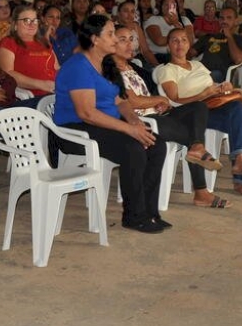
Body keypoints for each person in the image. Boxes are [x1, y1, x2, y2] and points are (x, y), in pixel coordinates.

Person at [54, 15, 169, 233]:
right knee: (133, 148)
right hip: (75, 130)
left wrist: (134, 121)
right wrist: (129, 129)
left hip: (104, 125)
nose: (115, 39)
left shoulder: (106, 63)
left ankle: (149, 212)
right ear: (94, 39)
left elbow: (120, 101)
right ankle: (134, 216)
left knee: (156, 144)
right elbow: (87, 113)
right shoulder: (78, 66)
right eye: (110, 34)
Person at [104, 25, 229, 208]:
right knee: (192, 135)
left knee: (198, 107)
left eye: (132, 39)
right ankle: (201, 189)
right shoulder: (110, 69)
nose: (130, 44)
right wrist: (160, 99)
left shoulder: (131, 67)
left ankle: (197, 152)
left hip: (156, 114)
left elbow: (145, 96)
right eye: (123, 40)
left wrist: (158, 103)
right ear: (111, 42)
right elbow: (132, 101)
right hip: (139, 122)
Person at [157, 28, 242, 198]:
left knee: (237, 109)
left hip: (210, 108)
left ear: (189, 44)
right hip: (188, 113)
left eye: (183, 40)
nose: (180, 44)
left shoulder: (198, 65)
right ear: (168, 46)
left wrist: (223, 87)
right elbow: (174, 100)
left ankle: (240, 160)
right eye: (174, 40)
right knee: (233, 120)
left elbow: (211, 86)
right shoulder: (167, 70)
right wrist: (202, 95)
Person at [0, 5, 58, 100]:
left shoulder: (44, 42)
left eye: (35, 20)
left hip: (56, 92)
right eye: (26, 20)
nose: (32, 24)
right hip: (33, 97)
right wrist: (42, 84)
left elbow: (57, 68)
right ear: (15, 24)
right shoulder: (8, 43)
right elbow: (7, 74)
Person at [191, 7, 242, 83]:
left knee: (207, 77)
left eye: (229, 18)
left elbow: (238, 59)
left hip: (220, 74)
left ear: (236, 21)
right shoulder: (209, 36)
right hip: (201, 70)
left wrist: (229, 36)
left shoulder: (240, 39)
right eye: (222, 18)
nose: (224, 21)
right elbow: (191, 53)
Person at [144, 0, 194, 64]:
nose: (169, 7)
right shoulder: (153, 20)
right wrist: (179, 39)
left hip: (180, 54)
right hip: (160, 55)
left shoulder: (185, 20)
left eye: (172, 5)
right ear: (161, 7)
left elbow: (190, 41)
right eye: (166, 4)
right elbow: (159, 41)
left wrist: (176, 23)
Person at [116, 0, 158, 68]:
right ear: (118, 13)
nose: (129, 14)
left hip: (138, 60)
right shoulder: (112, 28)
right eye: (126, 11)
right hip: (120, 62)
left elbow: (146, 50)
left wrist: (156, 66)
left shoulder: (136, 27)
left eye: (132, 11)